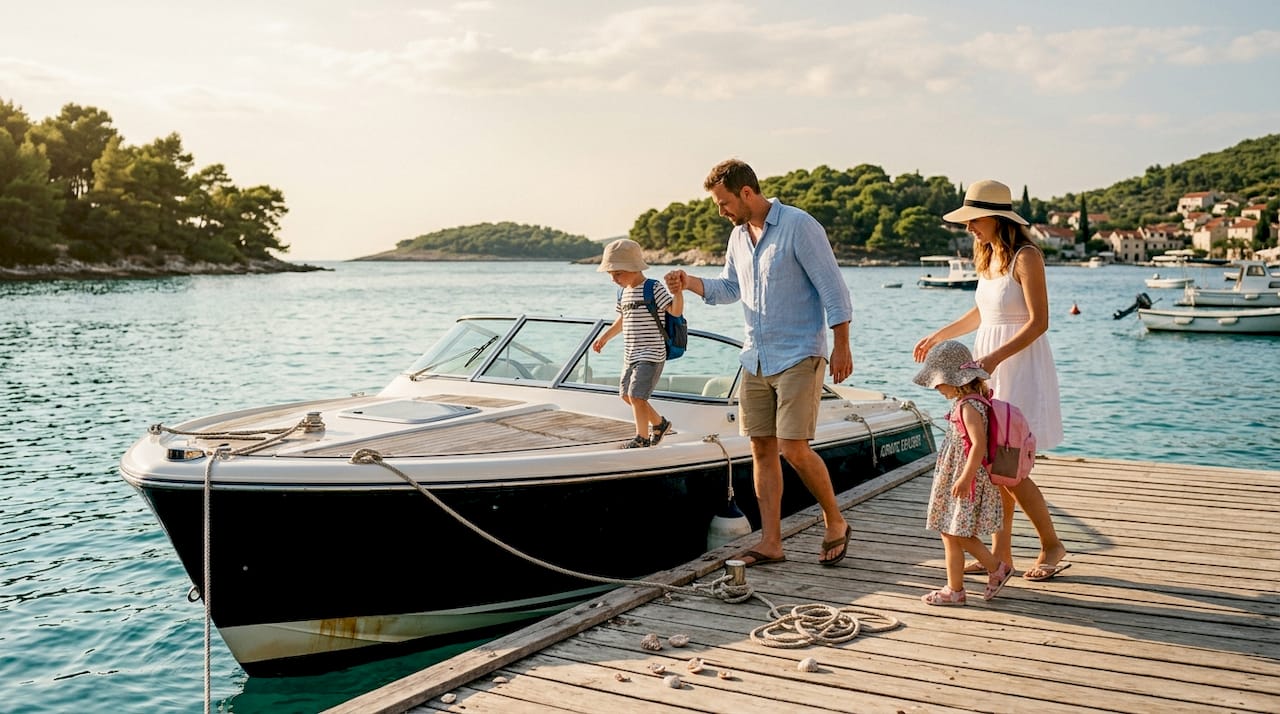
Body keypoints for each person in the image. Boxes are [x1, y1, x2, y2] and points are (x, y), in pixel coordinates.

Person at [664, 158, 853, 567]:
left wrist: (842, 346)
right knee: (761, 448)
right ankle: (771, 542)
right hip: (755, 357)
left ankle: (835, 521)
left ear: (747, 192)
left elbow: (834, 290)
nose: (721, 211)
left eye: (723, 202)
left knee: (794, 448)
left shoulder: (800, 226)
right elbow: (731, 288)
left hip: (800, 351)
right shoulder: (738, 238)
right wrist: (690, 283)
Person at [912, 179, 1069, 582]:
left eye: (973, 220)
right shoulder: (989, 257)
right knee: (995, 466)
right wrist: (941, 334)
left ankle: (1052, 544)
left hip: (1017, 362)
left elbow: (1040, 322)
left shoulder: (1026, 256)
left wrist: (994, 359)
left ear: (996, 217)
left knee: (1010, 466)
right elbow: (983, 313)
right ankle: (1002, 553)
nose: (968, 228)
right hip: (989, 362)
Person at [913, 340, 1014, 605]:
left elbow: (978, 445)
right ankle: (954, 589)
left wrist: (965, 477)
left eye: (937, 382)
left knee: (957, 532)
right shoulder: (965, 402)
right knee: (949, 532)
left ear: (954, 379)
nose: (935, 388)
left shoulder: (969, 406)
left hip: (965, 479)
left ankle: (996, 568)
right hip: (957, 476)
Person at [592, 238, 681, 448]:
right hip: (630, 353)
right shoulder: (622, 293)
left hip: (652, 353)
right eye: (611, 275)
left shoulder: (653, 287)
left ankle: (641, 438)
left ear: (633, 268)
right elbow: (622, 320)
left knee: (636, 395)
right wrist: (604, 338)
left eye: (618, 273)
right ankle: (660, 424)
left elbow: (675, 311)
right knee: (626, 395)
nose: (614, 279)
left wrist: (678, 293)